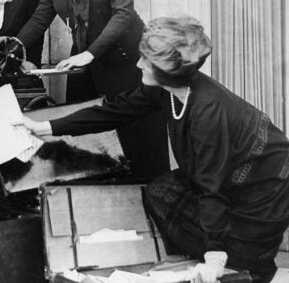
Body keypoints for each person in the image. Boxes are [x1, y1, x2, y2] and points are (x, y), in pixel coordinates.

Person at [23, 16, 289, 283]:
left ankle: (245, 266)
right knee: (159, 191)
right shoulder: (169, 88)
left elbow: (212, 186)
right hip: (229, 179)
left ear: (165, 71)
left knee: (239, 263)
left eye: (145, 61)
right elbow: (115, 110)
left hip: (263, 192)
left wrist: (215, 256)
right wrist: (46, 126)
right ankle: (219, 256)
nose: (138, 64)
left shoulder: (207, 112)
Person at [15, 0, 169, 179]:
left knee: (140, 155)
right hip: (89, 72)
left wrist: (89, 53)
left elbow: (124, 13)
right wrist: (13, 47)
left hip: (131, 70)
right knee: (89, 154)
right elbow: (41, 16)